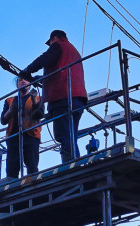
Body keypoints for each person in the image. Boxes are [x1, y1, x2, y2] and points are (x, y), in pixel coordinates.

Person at [22, 30, 88, 163]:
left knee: (63, 134)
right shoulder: (73, 52)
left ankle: (70, 163)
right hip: (78, 97)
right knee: (71, 134)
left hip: (62, 97)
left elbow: (44, 59)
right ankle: (75, 159)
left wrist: (26, 71)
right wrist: (43, 78)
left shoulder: (59, 46)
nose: (50, 45)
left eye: (50, 42)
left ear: (55, 38)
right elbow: (60, 70)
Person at [0, 77, 44, 178]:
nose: (23, 81)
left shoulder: (38, 98)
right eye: (20, 80)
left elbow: (40, 114)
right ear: (17, 85)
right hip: (13, 137)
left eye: (25, 79)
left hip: (31, 136)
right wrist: (10, 111)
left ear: (30, 83)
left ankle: (32, 187)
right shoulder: (9, 101)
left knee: (32, 166)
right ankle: (12, 188)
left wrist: (34, 101)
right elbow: (3, 120)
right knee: (12, 169)